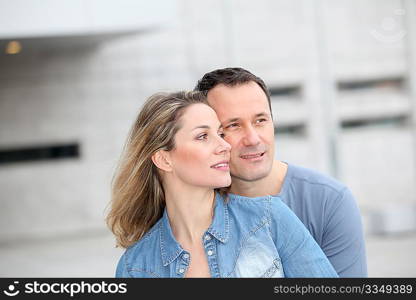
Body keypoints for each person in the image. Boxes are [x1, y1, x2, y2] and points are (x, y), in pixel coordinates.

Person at [107, 91, 338, 278]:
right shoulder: (135, 267)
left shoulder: (268, 219)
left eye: (220, 133)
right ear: (164, 159)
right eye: (203, 137)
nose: (225, 146)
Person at [194, 67, 367, 277]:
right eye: (233, 125)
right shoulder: (192, 207)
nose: (253, 139)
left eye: (260, 121)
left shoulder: (328, 201)